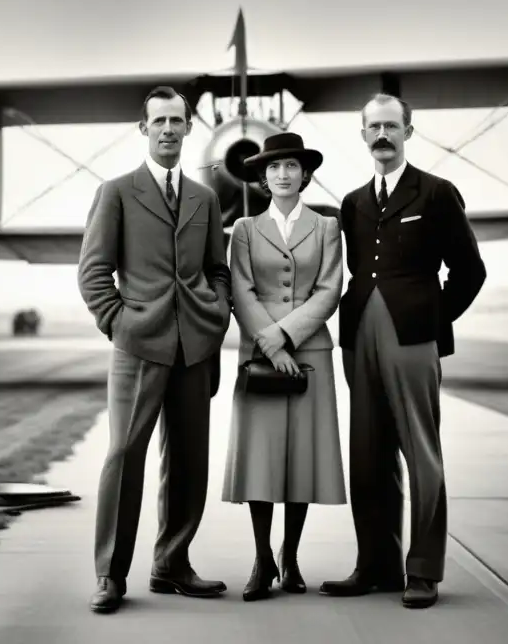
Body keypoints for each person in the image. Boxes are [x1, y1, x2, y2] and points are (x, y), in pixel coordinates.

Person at [320, 93, 486, 609]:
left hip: (414, 335)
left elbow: (470, 272)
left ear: (409, 132)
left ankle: (424, 570)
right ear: (364, 135)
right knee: (367, 455)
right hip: (358, 333)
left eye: (393, 126)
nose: (384, 135)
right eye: (375, 128)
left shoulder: (436, 193)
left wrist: (433, 322)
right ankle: (375, 565)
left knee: (421, 452)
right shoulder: (351, 203)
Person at [77, 86, 233, 614]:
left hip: (196, 347)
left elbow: (218, 268)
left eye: (177, 120)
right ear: (143, 130)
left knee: (189, 460)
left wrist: (216, 315)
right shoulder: (116, 192)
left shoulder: (205, 199)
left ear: (190, 129)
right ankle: (109, 574)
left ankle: (172, 563)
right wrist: (119, 323)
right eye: (159, 120)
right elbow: (93, 271)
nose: (168, 128)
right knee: (124, 455)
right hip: (138, 346)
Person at [221, 132, 347, 602]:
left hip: (310, 352)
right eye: (274, 168)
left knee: (302, 458)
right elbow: (241, 289)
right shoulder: (245, 230)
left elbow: (330, 288)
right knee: (261, 456)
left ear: (305, 174)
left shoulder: (328, 227)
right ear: (262, 176)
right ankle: (261, 559)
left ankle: (290, 557)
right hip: (260, 354)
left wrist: (288, 336)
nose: (283, 174)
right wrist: (271, 344)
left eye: (291, 166)